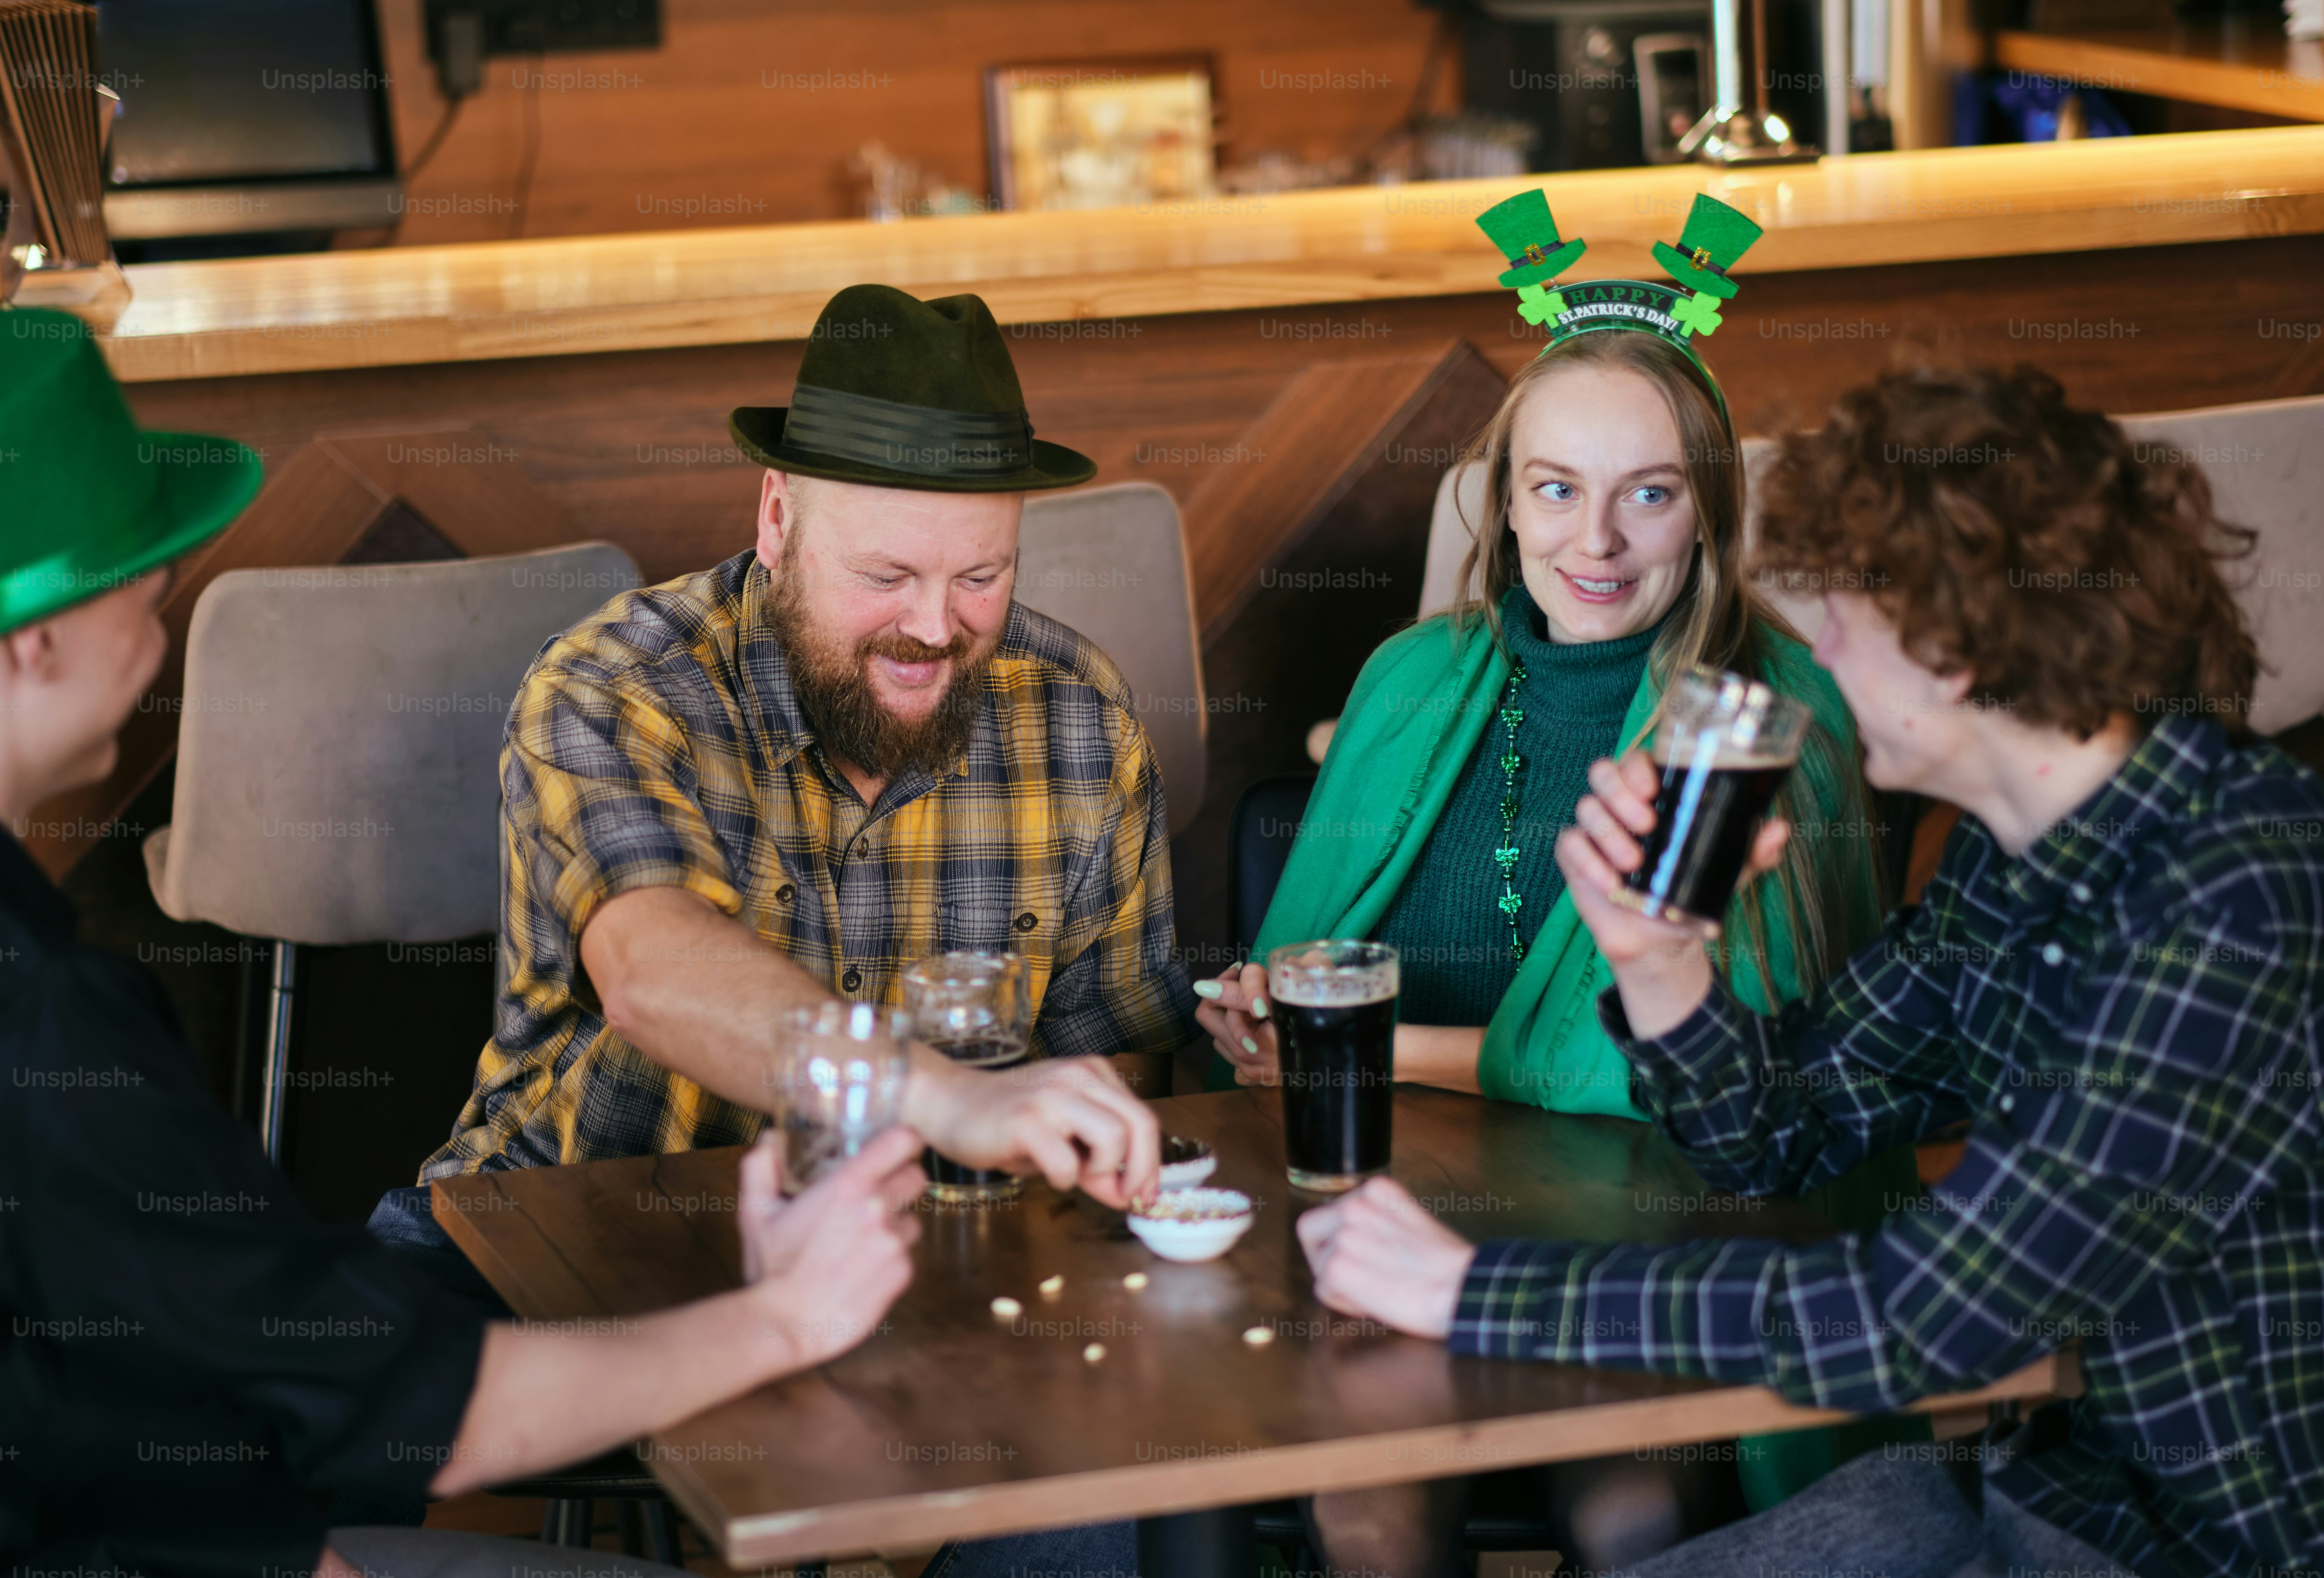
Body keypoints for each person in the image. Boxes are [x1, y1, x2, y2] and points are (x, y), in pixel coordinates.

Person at [0, 309, 928, 1578]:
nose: (165, 603)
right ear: (38, 638)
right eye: (150, 573)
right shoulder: (29, 1030)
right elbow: (430, 1413)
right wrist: (788, 1313)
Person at [1299, 361, 2324, 1578]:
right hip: (2041, 1481)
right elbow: (1783, 1132)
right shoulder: (2011, 867)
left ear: (1948, 648)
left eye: (1841, 616)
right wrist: (1664, 960)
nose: (1816, 651)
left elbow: (1921, 1315)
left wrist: (1472, 1289)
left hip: (2213, 1539)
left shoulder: (2234, 894)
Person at [1192, 189, 1911, 1575]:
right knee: (1368, 1503)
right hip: (1385, 1214)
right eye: (1557, 488)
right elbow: (1293, 994)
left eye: (1649, 492)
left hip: (1652, 1231)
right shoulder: (1411, 676)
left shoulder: (1763, 709)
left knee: (1626, 1498)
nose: (1598, 541)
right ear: (1504, 500)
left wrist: (1362, 1046)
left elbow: (1687, 1076)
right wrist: (1253, 1016)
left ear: (1707, 510)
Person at [378, 283, 1185, 1290]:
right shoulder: (617, 689)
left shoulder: (1081, 716)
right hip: (570, 1238)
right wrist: (941, 1097)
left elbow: (1119, 1059)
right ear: (776, 520)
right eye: (886, 576)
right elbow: (652, 972)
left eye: (980, 578)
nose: (934, 629)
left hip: (923, 1258)